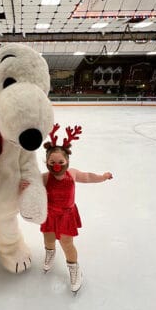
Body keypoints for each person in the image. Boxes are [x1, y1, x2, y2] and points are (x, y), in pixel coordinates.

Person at [21, 124, 113, 293]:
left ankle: (74, 268)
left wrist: (102, 177)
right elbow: (31, 185)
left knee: (67, 243)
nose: (57, 165)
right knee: (48, 239)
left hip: (66, 215)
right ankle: (50, 253)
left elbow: (88, 176)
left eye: (60, 162)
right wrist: (23, 186)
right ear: (47, 162)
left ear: (67, 161)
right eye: (52, 162)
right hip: (49, 214)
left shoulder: (72, 174)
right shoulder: (45, 178)